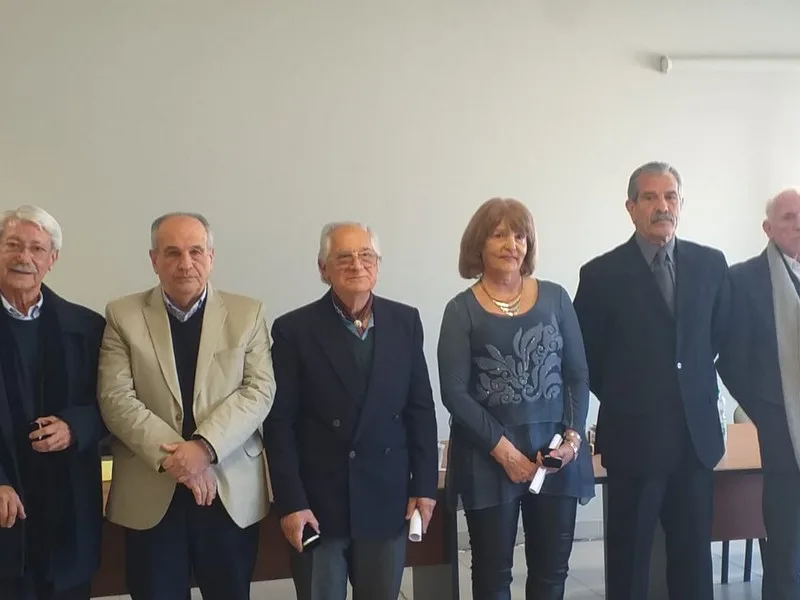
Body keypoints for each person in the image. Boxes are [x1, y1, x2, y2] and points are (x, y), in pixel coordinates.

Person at [97, 212, 275, 600]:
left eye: (196, 251)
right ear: (154, 259)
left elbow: (258, 391)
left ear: (211, 257)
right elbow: (116, 399)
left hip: (228, 491)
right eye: (172, 252)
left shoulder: (248, 314)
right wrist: (181, 460)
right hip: (151, 490)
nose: (185, 263)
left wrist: (204, 448)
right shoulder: (122, 316)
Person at [573, 162, 730, 599]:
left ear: (681, 204)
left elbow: (718, 337)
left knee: (693, 566)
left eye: (670, 196)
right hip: (634, 444)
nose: (663, 206)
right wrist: (632, 397)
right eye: (650, 197)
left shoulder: (710, 264)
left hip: (695, 443)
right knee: (629, 566)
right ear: (630, 207)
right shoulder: (600, 275)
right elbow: (587, 358)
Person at [264, 222, 439, 600]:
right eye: (344, 257)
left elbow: (421, 410)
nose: (357, 265)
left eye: (366, 256)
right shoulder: (294, 330)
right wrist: (291, 503)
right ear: (322, 268)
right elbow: (279, 425)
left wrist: (424, 486)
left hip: (386, 497)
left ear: (378, 264)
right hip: (318, 504)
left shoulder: (405, 321)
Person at [438, 197, 594, 600]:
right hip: (488, 456)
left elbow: (577, 374)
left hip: (555, 455)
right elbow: (454, 392)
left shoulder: (556, 298)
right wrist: (504, 452)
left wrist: (573, 440)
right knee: (493, 578)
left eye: (520, 236)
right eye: (499, 234)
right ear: (479, 244)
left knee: (551, 573)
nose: (512, 244)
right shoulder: (460, 310)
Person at [0, 206, 106, 600]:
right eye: (12, 245)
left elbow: (112, 405)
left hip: (68, 509)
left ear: (52, 259)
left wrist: (75, 427)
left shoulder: (87, 327)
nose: (23, 257)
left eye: (36, 248)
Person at [717, 188, 800, 599]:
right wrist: (768, 409)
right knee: (786, 547)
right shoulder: (743, 279)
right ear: (768, 228)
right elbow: (729, 360)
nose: (799, 225)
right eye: (789, 218)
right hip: (782, 433)